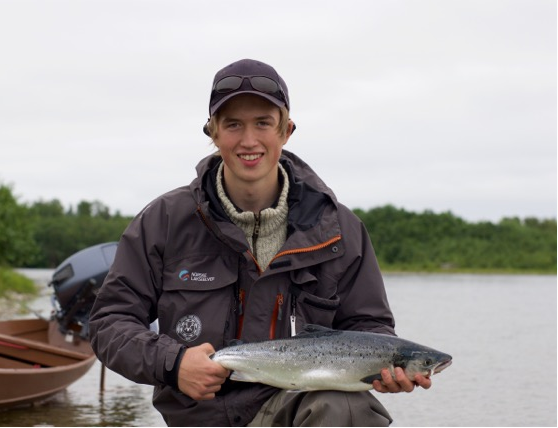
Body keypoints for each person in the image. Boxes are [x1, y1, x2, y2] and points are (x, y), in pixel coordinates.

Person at [89, 58, 433, 427]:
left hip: (296, 411)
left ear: (286, 131)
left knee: (345, 407)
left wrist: (383, 368)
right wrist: (173, 363)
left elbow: (369, 326)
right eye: (233, 124)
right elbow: (110, 322)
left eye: (263, 123)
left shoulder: (340, 231)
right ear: (213, 132)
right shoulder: (163, 221)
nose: (248, 140)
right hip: (198, 418)